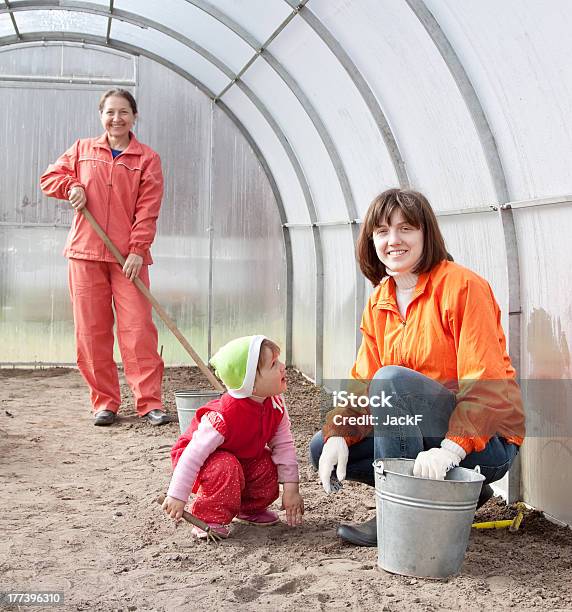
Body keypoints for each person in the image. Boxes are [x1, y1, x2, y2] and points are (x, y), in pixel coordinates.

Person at [310, 188, 525, 546]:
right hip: (421, 429)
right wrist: (338, 433)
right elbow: (364, 383)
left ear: (426, 233)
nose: (393, 240)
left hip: (486, 441)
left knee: (393, 380)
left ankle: (404, 517)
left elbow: (485, 384)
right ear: (371, 240)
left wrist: (451, 450)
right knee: (323, 446)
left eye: (405, 229)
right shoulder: (380, 300)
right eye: (381, 231)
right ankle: (456, 494)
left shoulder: (463, 288)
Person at [40, 89, 169, 427]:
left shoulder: (146, 159)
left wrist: (138, 251)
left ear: (134, 116)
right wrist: (71, 186)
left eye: (123, 112)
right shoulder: (83, 150)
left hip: (128, 259)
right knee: (92, 332)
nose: (116, 118)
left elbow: (148, 208)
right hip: (85, 253)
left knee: (138, 330)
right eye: (110, 112)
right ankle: (105, 403)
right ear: (101, 115)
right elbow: (48, 179)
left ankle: (149, 402)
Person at [162, 335, 304, 539]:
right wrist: (177, 496)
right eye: (273, 364)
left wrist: (291, 489)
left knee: (267, 463)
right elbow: (192, 456)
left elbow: (284, 446)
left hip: (241, 460)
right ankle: (209, 517)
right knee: (226, 466)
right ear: (250, 384)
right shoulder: (222, 417)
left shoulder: (275, 404)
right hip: (206, 465)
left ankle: (248, 509)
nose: (283, 367)